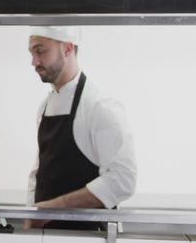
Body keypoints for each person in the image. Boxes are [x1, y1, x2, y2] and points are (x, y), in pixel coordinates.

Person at [26, 27, 136, 230]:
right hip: (45, 237)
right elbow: (40, 171)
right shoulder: (45, 106)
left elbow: (122, 180)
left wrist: (52, 209)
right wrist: (31, 214)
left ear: (67, 49)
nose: (34, 62)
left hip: (90, 241)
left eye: (40, 51)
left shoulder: (100, 106)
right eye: (31, 53)